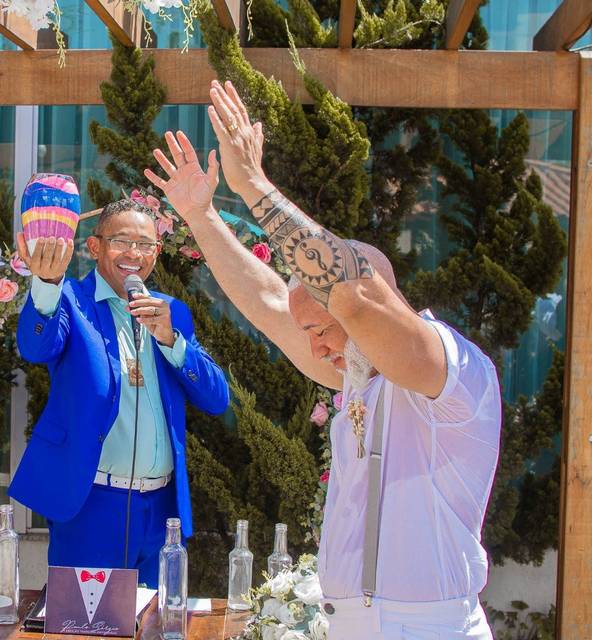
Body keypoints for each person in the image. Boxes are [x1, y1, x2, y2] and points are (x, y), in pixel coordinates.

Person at [142, 80, 499, 638]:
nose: (316, 350)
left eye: (322, 331)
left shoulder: (447, 365)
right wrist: (201, 217)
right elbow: (267, 301)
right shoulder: (359, 373)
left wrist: (253, 184)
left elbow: (351, 294)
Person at [8, 198, 229, 587]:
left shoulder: (170, 311)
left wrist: (172, 341)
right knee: (84, 627)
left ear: (157, 254)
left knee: (153, 626)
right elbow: (35, 346)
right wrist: (45, 285)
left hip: (160, 512)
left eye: (145, 245)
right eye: (121, 241)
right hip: (92, 505)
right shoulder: (72, 300)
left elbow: (216, 398)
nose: (134, 254)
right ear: (94, 247)